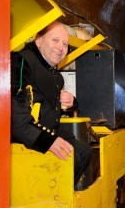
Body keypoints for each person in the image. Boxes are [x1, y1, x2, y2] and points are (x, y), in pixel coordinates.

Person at [11, 22, 91, 187]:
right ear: (38, 40)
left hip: (48, 132)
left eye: (65, 44)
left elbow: (54, 104)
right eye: (55, 40)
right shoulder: (21, 62)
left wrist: (71, 102)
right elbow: (15, 115)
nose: (61, 47)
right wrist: (48, 142)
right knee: (72, 157)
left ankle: (64, 197)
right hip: (25, 136)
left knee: (84, 152)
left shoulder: (57, 76)